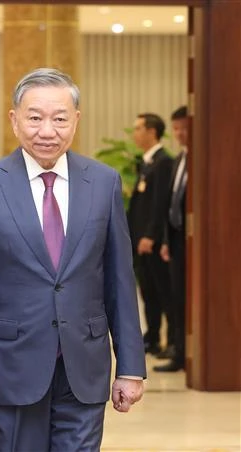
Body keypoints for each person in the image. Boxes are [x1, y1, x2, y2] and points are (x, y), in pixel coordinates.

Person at [0, 68, 146, 451]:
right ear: (14, 120)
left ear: (76, 121)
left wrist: (131, 367)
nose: (47, 130)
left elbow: (119, 280)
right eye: (35, 117)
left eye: (59, 118)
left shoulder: (103, 183)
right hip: (10, 367)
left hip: (83, 368)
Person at [128, 112, 174, 356]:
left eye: (138, 128)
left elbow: (159, 204)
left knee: (162, 290)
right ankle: (153, 336)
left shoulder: (163, 162)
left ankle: (173, 340)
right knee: (148, 290)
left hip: (152, 241)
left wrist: (150, 235)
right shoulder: (146, 162)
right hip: (139, 240)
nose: (134, 133)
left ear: (152, 132)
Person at [155, 106, 189, 372]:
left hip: (194, 244)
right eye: (176, 128)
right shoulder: (180, 159)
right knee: (176, 297)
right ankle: (179, 351)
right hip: (176, 240)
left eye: (184, 128)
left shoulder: (202, 160)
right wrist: (166, 240)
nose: (179, 133)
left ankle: (186, 353)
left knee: (186, 299)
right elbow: (171, 205)